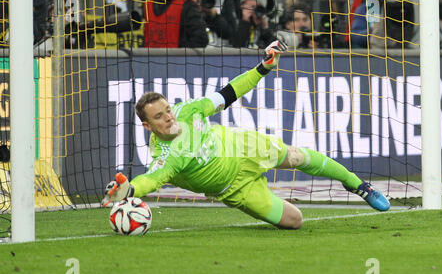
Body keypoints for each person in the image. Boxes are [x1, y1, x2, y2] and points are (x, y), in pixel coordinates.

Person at [102, 40, 390, 230]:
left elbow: (230, 92)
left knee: (296, 156)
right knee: (294, 221)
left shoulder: (188, 110)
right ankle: (266, 192)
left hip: (243, 148)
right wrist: (128, 191)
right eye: (159, 117)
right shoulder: (165, 156)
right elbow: (150, 179)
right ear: (148, 127)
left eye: (167, 110)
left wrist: (263, 68)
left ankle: (359, 186)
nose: (168, 117)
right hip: (233, 189)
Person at [143, 0, 209, 48]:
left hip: (176, 62)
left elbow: (201, 39)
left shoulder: (188, 5)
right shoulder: (148, 4)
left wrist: (179, 54)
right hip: (149, 62)